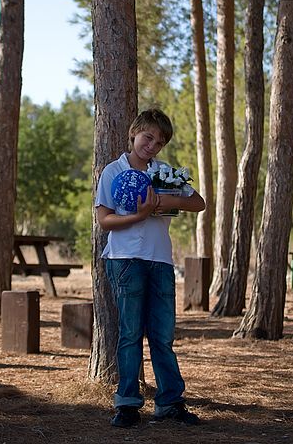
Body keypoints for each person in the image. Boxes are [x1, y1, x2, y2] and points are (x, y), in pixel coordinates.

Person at [95, 108, 206, 428]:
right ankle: (127, 404)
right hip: (125, 260)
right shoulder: (113, 172)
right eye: (148, 137)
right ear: (134, 134)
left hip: (160, 261)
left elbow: (198, 203)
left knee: (162, 336)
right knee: (130, 334)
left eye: (159, 142)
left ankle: (170, 402)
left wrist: (167, 201)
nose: (152, 145)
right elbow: (105, 220)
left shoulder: (165, 173)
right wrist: (139, 215)